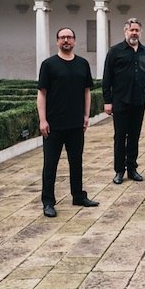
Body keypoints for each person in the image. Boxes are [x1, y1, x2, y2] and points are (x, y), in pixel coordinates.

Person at [37, 27, 99, 217]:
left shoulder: (82, 64)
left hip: (75, 123)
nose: (66, 40)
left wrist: (86, 115)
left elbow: (86, 91)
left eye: (69, 37)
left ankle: (78, 195)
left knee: (76, 161)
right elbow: (41, 93)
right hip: (53, 125)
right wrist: (43, 120)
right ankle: (48, 201)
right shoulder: (48, 64)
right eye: (62, 37)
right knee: (50, 164)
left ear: (74, 41)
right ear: (57, 41)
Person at [102, 17, 145, 185]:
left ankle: (132, 168)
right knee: (120, 136)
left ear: (140, 32)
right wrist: (107, 101)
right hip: (120, 100)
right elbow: (107, 78)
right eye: (131, 30)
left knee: (134, 136)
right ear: (125, 31)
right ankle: (119, 170)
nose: (134, 33)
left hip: (139, 101)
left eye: (137, 30)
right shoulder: (115, 51)